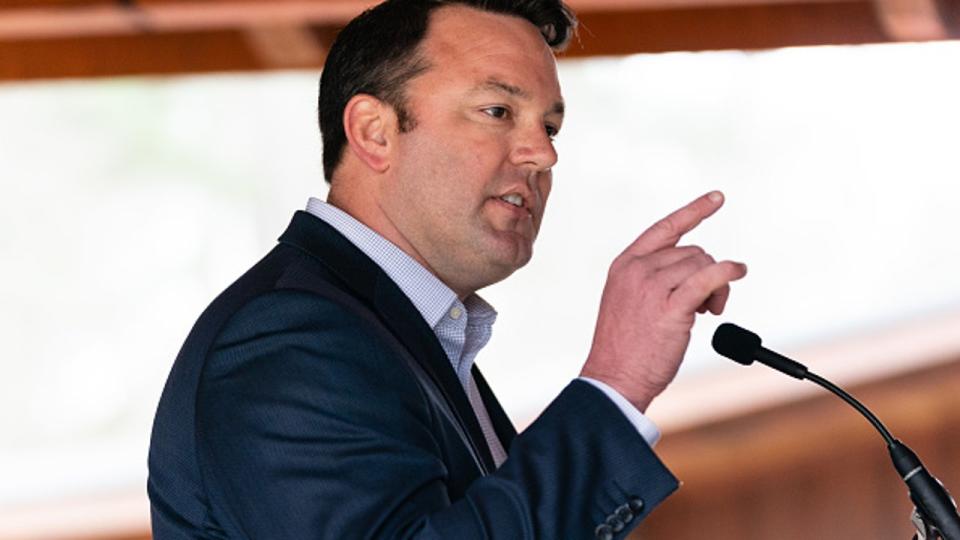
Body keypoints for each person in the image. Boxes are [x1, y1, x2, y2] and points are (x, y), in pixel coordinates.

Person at [147, 0, 747, 538]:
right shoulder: (290, 340)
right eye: (496, 110)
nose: (544, 153)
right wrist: (617, 380)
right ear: (374, 133)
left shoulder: (402, 333)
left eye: (550, 125)